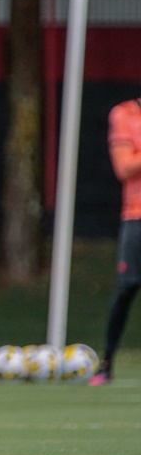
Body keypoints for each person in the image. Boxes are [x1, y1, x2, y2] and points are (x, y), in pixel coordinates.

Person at [90, 96, 141, 385]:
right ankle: (107, 362)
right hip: (137, 215)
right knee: (127, 287)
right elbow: (124, 167)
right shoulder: (125, 114)